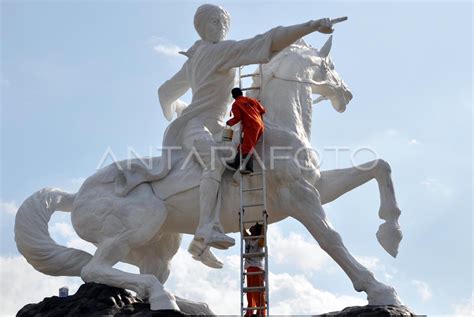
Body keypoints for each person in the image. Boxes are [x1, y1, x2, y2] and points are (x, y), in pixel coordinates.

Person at [155, 4, 334, 255]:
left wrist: (176, 106)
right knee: (215, 163)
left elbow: (166, 93)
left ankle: (199, 247)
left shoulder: (196, 59)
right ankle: (206, 227)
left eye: (223, 22)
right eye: (215, 22)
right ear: (201, 27)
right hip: (196, 126)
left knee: (243, 153)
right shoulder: (220, 52)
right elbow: (268, 41)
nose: (221, 27)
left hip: (222, 127)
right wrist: (311, 26)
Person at [226, 88, 266, 174]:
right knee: (243, 145)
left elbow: (238, 117)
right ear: (241, 93)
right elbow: (262, 110)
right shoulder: (252, 100)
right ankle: (235, 164)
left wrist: (229, 123)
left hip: (251, 126)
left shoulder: (236, 104)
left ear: (233, 96)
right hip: (260, 125)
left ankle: (249, 168)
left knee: (247, 146)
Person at [244, 223, 266, 317]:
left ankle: (261, 312)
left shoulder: (259, 241)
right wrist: (240, 219)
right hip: (249, 268)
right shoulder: (248, 239)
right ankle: (250, 311)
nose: (252, 226)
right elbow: (243, 231)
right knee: (250, 292)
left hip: (257, 268)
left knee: (258, 292)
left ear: (256, 230)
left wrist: (264, 225)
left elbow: (263, 236)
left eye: (254, 226)